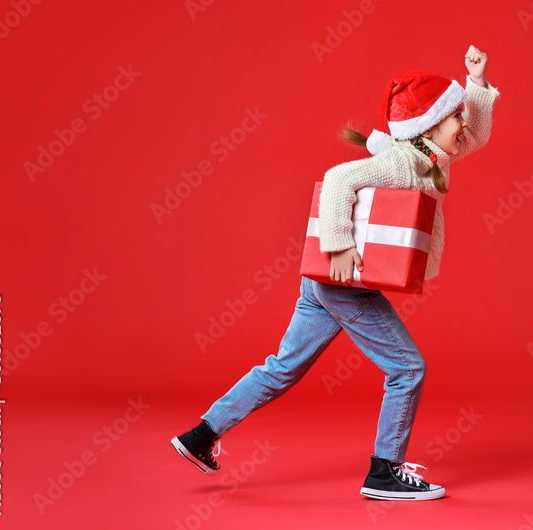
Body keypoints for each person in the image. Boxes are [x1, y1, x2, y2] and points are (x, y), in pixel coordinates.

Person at [170, 45, 500, 501]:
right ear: (429, 125)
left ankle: (201, 436)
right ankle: (385, 471)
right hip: (346, 283)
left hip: (321, 284)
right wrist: (340, 245)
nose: (463, 127)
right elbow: (340, 178)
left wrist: (477, 83)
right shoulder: (402, 162)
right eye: (455, 118)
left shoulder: (432, 156)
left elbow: (476, 136)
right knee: (407, 368)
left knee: (282, 367)